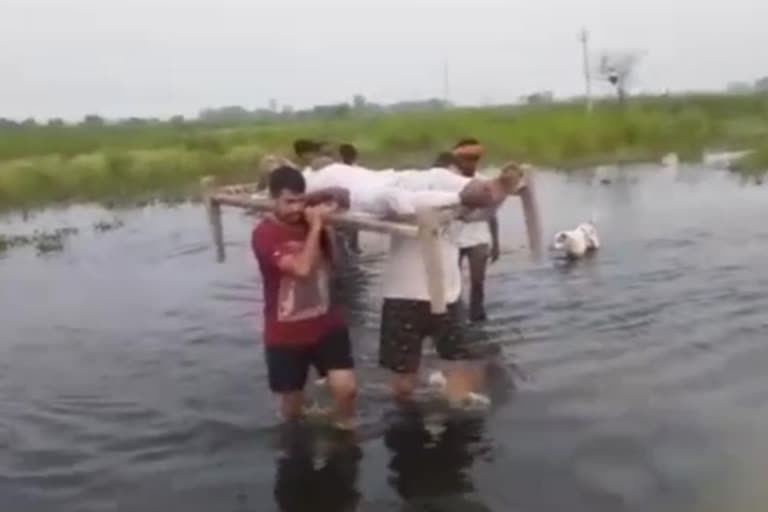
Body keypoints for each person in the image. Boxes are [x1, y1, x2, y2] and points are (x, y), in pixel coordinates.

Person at [302, 162, 528, 406]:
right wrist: (460, 196)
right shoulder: (392, 193)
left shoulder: (454, 204)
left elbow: (483, 207)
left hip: (442, 296)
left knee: (452, 367)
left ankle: (442, 407)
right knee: (406, 379)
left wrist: (500, 189)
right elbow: (391, 201)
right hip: (408, 296)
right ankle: (417, 413)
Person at [251, 165, 357, 429]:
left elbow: (343, 197)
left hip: (326, 323)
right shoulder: (264, 234)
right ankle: (295, 442)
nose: (296, 209)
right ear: (272, 199)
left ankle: (344, 432)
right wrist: (315, 227)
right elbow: (301, 270)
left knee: (345, 388)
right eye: (288, 202)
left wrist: (323, 200)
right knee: (292, 407)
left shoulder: (309, 218)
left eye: (300, 201)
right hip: (286, 332)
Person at [452, 138, 498, 322]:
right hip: (453, 238)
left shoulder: (485, 182)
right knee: (452, 281)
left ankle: (477, 315)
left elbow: (492, 214)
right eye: (466, 158)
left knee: (478, 281)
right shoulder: (449, 182)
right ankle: (452, 315)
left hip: (478, 238)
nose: (470, 163)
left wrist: (496, 243)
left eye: (474, 158)